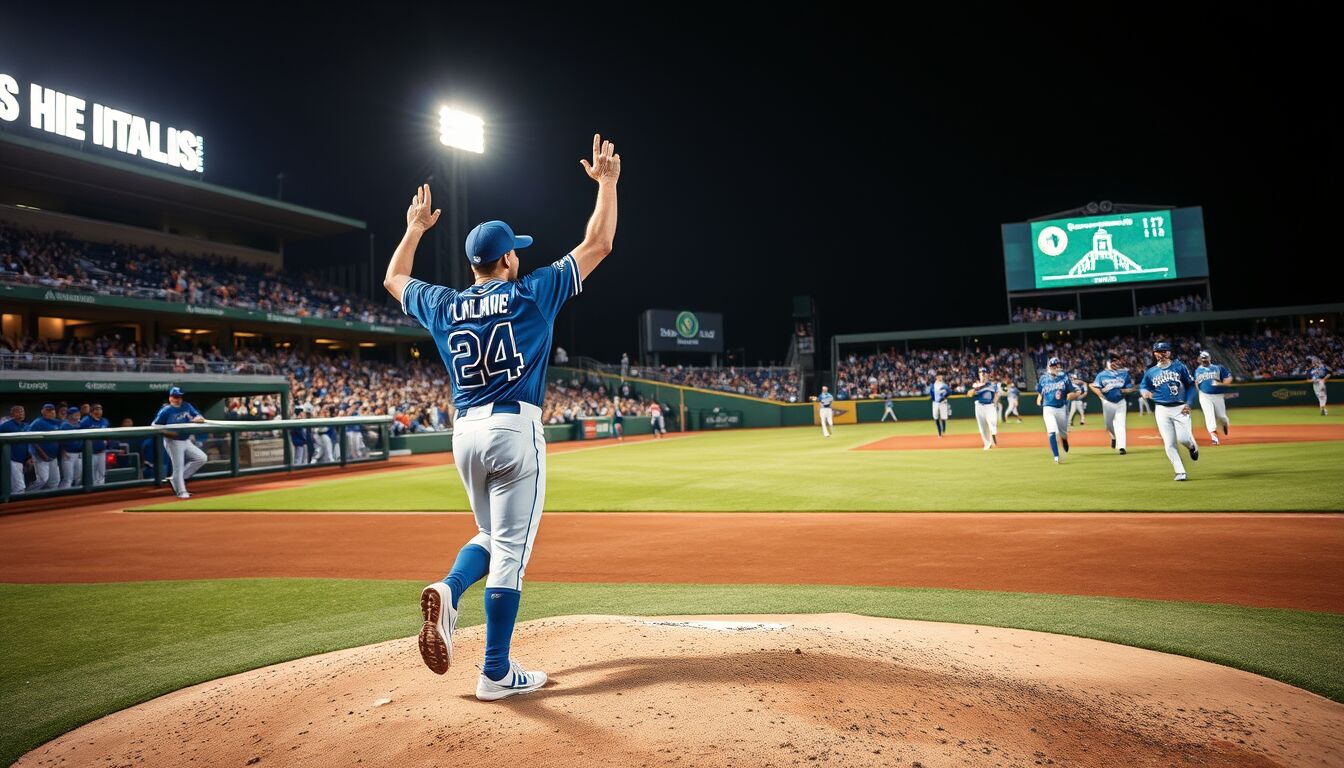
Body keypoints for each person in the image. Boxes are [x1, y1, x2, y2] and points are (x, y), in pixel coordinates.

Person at [385, 133, 619, 701]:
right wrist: (608, 184)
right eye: (517, 250)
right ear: (508, 259)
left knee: (490, 536)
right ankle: (494, 671)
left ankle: (450, 586)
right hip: (515, 429)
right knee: (511, 551)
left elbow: (393, 279)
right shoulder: (532, 293)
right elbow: (599, 243)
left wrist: (415, 228)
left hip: (463, 432)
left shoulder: (444, 303)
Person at [1140, 341, 1200, 481]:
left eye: (1164, 351)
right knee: (1169, 443)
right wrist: (1144, 392)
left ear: (1169, 352)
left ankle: (1192, 446)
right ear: (1154, 353)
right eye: (1157, 352)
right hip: (1161, 410)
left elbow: (1191, 386)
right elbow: (1144, 386)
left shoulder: (1179, 367)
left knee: (1183, 438)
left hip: (1180, 408)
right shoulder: (1151, 372)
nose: (1161, 354)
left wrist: (1189, 403)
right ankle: (1180, 472)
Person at [152, 386, 208, 499]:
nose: (179, 399)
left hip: (185, 439)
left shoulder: (186, 406)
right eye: (176, 397)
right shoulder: (166, 410)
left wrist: (198, 418)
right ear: (170, 398)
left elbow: (198, 416)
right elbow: (154, 426)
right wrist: (169, 433)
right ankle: (181, 492)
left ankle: (177, 479)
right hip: (172, 441)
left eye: (180, 397)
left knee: (201, 458)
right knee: (178, 467)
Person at [1035, 357, 1081, 464]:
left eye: (1056, 365)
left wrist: (1073, 394)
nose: (1055, 367)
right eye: (1053, 366)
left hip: (1061, 408)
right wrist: (1039, 397)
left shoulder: (1064, 377)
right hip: (1048, 408)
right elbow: (1040, 391)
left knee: (1063, 433)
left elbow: (1071, 391)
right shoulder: (1043, 378)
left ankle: (1064, 439)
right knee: (1052, 431)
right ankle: (1056, 456)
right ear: (1049, 367)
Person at [1090, 356, 1135, 454]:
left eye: (1117, 361)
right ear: (1108, 362)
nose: (1116, 363)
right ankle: (1114, 437)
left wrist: (1125, 390)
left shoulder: (1124, 373)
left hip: (1120, 402)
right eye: (1113, 361)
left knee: (1121, 424)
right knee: (1108, 425)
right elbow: (1095, 386)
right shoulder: (1101, 375)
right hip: (1108, 402)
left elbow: (1129, 388)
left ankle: (1122, 447)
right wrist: (1101, 394)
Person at [1194, 350, 1233, 445]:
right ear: (1200, 360)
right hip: (1204, 396)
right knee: (1209, 416)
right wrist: (1199, 392)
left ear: (1209, 359)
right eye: (1203, 359)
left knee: (1222, 416)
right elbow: (1196, 383)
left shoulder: (1218, 368)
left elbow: (1229, 378)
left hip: (1218, 396)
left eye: (1205, 359)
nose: (1204, 361)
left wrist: (1221, 383)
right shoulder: (1198, 370)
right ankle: (1214, 437)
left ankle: (1225, 424)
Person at [25, 403, 62, 490]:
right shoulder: (37, 423)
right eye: (48, 411)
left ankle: (49, 502)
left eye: (52, 410)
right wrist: (42, 454)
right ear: (43, 411)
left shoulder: (57, 422)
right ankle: (26, 495)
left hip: (53, 456)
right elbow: (31, 439)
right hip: (40, 457)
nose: (51, 412)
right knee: (42, 479)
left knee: (55, 481)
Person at [968, 367, 1000, 450]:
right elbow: (969, 394)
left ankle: (993, 435)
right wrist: (974, 390)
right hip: (979, 406)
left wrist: (995, 402)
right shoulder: (976, 385)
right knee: (982, 427)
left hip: (989, 405)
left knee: (992, 421)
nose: (982, 374)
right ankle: (987, 444)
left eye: (983, 372)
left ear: (987, 374)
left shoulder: (992, 385)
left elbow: (996, 395)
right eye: (980, 372)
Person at [1, 405, 29, 495]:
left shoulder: (25, 425)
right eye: (19, 411)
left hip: (22, 460)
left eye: (23, 411)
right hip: (12, 459)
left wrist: (29, 458)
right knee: (19, 488)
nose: (21, 413)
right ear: (12, 414)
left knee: (18, 487)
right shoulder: (6, 426)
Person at [80, 404, 110, 486]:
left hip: (101, 451)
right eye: (96, 409)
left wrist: (106, 441)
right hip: (90, 453)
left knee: (101, 473)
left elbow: (108, 434)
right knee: (91, 474)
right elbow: (79, 431)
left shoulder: (105, 421)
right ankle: (91, 492)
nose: (99, 411)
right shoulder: (86, 420)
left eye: (100, 409)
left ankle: (100, 491)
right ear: (92, 411)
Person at [57, 407, 84, 489]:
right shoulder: (64, 425)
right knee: (68, 479)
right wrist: (63, 452)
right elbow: (59, 440)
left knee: (78, 478)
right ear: (70, 415)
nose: (78, 416)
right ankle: (63, 498)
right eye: (76, 414)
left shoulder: (81, 424)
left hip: (79, 454)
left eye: (79, 414)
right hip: (68, 454)